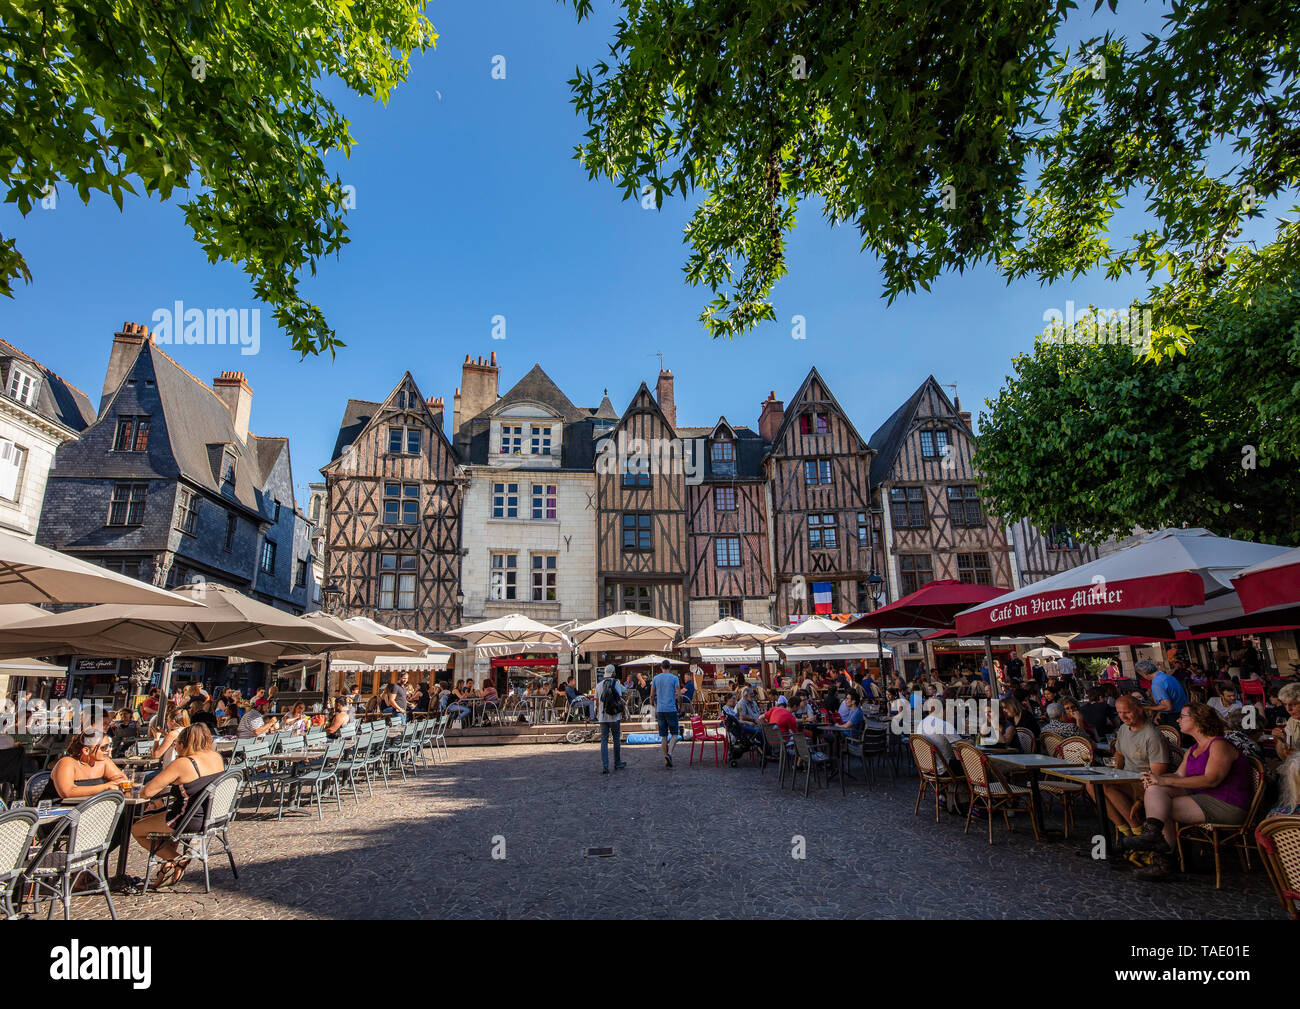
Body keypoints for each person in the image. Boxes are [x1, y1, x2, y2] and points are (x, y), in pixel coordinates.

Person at [1121, 703, 1253, 880]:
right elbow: (1178, 775)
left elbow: (1212, 779)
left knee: (1161, 806)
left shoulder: (1218, 745)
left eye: (1182, 716)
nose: (1177, 720)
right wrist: (1154, 779)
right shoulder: (1193, 749)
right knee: (1156, 792)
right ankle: (1154, 838)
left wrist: (1164, 780)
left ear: (1198, 720)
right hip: (1202, 798)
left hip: (1227, 804)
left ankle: (1163, 857)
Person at [130, 723, 225, 889]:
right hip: (212, 817)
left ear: (182, 745)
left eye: (176, 746)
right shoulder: (216, 757)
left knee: (137, 829)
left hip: (186, 819)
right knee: (159, 820)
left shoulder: (184, 763)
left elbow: (147, 792)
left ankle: (174, 858)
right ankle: (168, 865)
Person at [1104, 695, 1172, 833]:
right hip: (1126, 778)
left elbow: (1158, 774)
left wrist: (1141, 799)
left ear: (1140, 710)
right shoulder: (1123, 728)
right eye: (1119, 712)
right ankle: (1124, 829)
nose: (1123, 716)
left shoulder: (1152, 736)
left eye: (1127, 712)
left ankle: (1137, 830)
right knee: (1092, 784)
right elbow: (1119, 754)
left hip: (1144, 783)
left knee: (1107, 787)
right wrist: (1112, 773)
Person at [44, 729, 129, 801]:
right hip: (57, 812)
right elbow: (68, 792)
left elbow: (122, 779)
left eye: (109, 746)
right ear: (86, 751)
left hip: (88, 809)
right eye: (104, 747)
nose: (108, 750)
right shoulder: (67, 762)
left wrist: (111, 786)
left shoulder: (104, 761)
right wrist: (105, 788)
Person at [649, 657, 681, 768]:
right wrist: (680, 707)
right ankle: (670, 754)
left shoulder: (656, 678)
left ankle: (666, 758)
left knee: (663, 736)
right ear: (670, 667)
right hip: (671, 709)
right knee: (675, 734)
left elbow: (652, 695)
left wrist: (653, 706)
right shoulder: (674, 678)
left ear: (661, 668)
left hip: (660, 710)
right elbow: (679, 694)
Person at [595, 665, 627, 774]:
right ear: (613, 673)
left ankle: (605, 765)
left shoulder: (599, 685)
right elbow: (620, 699)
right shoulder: (616, 684)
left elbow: (596, 703)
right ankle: (617, 763)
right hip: (614, 716)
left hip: (602, 716)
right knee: (616, 739)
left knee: (604, 740)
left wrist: (597, 713)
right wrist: (622, 713)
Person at [1144, 663, 1189, 728]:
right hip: (1182, 711)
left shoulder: (1157, 682)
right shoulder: (1168, 677)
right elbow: (1159, 702)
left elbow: (1167, 707)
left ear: (1145, 674)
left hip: (1175, 715)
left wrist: (1146, 707)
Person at [1273, 682, 1300, 760]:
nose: (1288, 709)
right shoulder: (1291, 721)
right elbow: (1284, 757)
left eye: (1293, 704)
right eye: (1285, 704)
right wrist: (1280, 740)